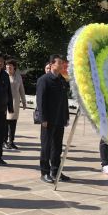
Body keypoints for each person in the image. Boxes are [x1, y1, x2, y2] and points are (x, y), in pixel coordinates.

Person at [36, 55, 71, 183]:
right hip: (48, 119)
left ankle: (56, 171)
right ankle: (45, 172)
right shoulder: (44, 80)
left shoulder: (62, 80)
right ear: (52, 64)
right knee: (46, 146)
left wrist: (66, 116)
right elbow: (40, 101)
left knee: (57, 147)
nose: (62, 65)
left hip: (59, 118)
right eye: (59, 63)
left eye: (62, 63)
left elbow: (64, 100)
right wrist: (43, 118)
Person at [5, 59, 27, 150]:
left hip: (15, 102)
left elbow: (21, 89)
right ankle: (4, 141)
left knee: (13, 122)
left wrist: (24, 101)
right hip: (5, 102)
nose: (8, 67)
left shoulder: (18, 76)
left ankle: (11, 141)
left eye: (10, 65)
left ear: (14, 67)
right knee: (5, 123)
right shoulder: (3, 75)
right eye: (7, 65)